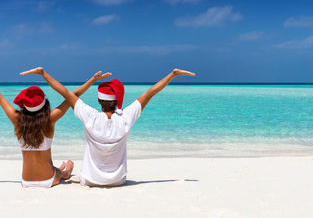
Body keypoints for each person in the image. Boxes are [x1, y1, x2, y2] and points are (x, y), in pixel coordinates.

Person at [20, 67, 195, 187]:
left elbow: (66, 92)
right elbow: (150, 93)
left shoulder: (91, 116)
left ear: (99, 101)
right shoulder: (125, 118)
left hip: (89, 180)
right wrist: (172, 75)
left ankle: (66, 169)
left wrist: (44, 74)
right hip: (118, 181)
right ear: (117, 101)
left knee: (67, 167)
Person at [0, 69, 111, 188]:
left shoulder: (17, 119)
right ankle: (65, 171)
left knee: (56, 166)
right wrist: (92, 80)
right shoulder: (50, 119)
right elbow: (72, 96)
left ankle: (61, 168)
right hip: (48, 180)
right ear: (44, 104)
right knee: (65, 170)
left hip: (26, 181)